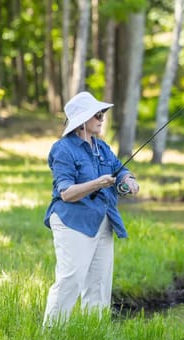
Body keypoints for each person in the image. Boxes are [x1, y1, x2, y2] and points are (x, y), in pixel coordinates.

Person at [42, 91, 139, 326]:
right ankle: (53, 336)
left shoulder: (102, 147)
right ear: (82, 119)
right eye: (97, 114)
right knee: (70, 280)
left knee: (99, 285)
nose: (102, 117)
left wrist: (128, 180)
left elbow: (119, 169)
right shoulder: (63, 149)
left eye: (103, 113)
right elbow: (66, 192)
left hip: (103, 221)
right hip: (73, 221)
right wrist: (98, 183)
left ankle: (92, 337)